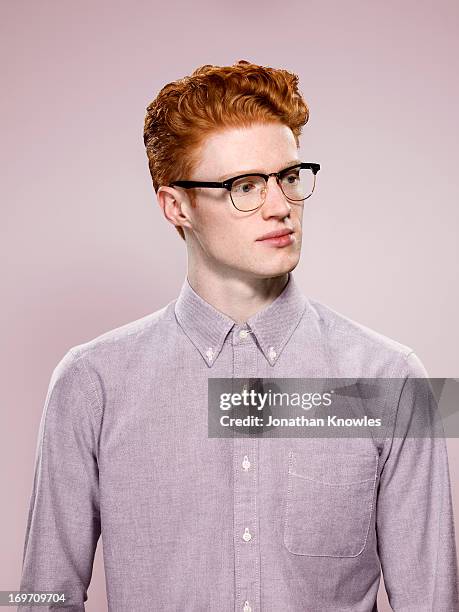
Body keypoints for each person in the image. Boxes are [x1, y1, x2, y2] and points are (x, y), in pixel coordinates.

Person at [18, 59, 458, 611]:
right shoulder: (91, 384)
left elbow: (433, 602)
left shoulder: (390, 382)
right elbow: (41, 598)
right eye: (244, 185)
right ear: (175, 205)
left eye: (290, 178)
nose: (281, 208)